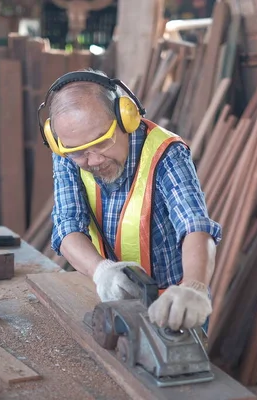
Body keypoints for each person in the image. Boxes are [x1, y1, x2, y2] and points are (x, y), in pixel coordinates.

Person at [38, 69, 221, 333]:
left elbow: (194, 225)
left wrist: (194, 287)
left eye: (102, 143)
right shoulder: (69, 151)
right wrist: (101, 271)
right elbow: (67, 226)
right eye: (79, 153)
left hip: (173, 303)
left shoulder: (165, 152)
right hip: (114, 295)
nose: (94, 160)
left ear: (126, 118)